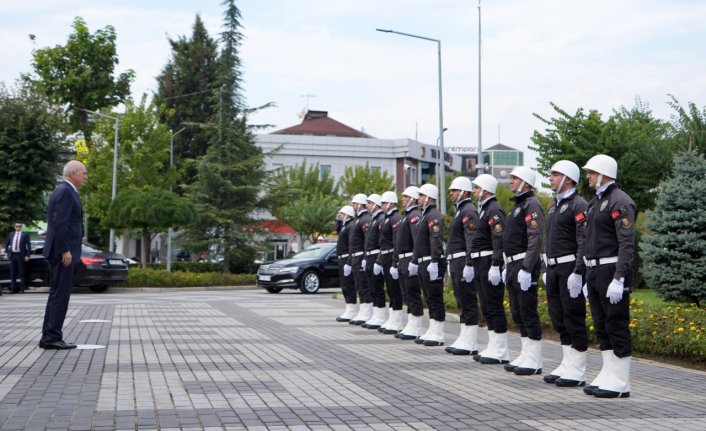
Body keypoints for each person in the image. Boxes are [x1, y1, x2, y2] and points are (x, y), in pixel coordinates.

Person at [581, 154, 635, 398]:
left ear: (604, 173)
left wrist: (619, 277)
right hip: (594, 270)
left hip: (611, 270)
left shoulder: (619, 201)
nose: (588, 176)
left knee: (616, 323)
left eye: (592, 172)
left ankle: (621, 381)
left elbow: (626, 244)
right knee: (602, 325)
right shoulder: (595, 203)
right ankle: (609, 372)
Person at [543, 161, 590, 387]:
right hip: (553, 268)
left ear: (568, 178)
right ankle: (567, 362)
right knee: (558, 317)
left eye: (555, 175)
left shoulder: (578, 205)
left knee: (573, 317)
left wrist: (579, 272)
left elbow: (583, 241)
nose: (550, 178)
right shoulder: (554, 206)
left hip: (570, 266)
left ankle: (578, 369)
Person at [40, 160, 87, 350]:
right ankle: (52, 337)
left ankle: (49, 336)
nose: (85, 177)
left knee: (56, 294)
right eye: (83, 173)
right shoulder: (66, 192)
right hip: (62, 254)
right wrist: (65, 249)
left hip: (61, 251)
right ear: (73, 174)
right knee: (60, 295)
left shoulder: (64, 191)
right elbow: (60, 223)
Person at [502, 166, 545, 376]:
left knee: (528, 311)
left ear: (525, 183)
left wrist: (527, 268)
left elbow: (535, 238)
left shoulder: (532, 204)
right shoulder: (518, 205)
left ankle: (535, 359)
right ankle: (526, 353)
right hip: (512, 264)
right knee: (518, 312)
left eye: (514, 178)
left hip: (523, 264)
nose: (510, 181)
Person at [470, 174, 510, 365]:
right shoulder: (484, 210)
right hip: (480, 261)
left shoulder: (494, 209)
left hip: (488, 261)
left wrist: (495, 264)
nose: (474, 191)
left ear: (485, 189)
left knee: (493, 305)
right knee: (486, 306)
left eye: (476, 188)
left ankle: (501, 350)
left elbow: (498, 239)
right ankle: (493, 345)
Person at [444, 177, 480, 355]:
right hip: (456, 260)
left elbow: (471, 240)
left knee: (468, 300)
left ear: (463, 192)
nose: (450, 193)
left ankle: (471, 341)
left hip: (462, 260)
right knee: (461, 300)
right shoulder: (460, 210)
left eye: (454, 190)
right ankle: (464, 337)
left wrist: (469, 263)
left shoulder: (469, 210)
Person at [411, 183, 446, 346]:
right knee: (429, 297)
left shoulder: (434, 215)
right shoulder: (426, 215)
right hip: (424, 261)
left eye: (422, 196)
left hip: (432, 261)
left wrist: (434, 261)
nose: (419, 199)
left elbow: (436, 239)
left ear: (430, 198)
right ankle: (432, 328)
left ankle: (438, 333)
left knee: (435, 297)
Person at [394, 186, 424, 340]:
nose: (403, 199)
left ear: (413, 199)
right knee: (407, 294)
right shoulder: (406, 215)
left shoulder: (414, 215)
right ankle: (411, 323)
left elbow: (416, 240)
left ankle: (417, 326)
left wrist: (414, 260)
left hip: (410, 258)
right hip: (403, 259)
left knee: (413, 293)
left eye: (406, 197)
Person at [376, 191, 405, 334]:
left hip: (392, 256)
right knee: (390, 290)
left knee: (395, 290)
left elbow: (396, 242)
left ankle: (398, 321)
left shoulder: (395, 218)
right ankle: (393, 318)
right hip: (386, 257)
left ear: (391, 203)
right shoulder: (387, 218)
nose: (381, 205)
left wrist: (395, 262)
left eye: (383, 202)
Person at [362, 194, 387, 329]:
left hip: (377, 256)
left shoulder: (381, 219)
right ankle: (376, 314)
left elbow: (381, 242)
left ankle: (380, 316)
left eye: (370, 203)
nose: (368, 206)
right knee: (372, 287)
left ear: (377, 204)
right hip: (370, 256)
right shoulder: (373, 219)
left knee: (378, 288)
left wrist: (379, 260)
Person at [347, 193, 373, 325]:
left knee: (364, 285)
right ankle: (363, 310)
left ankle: (367, 311)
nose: (352, 206)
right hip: (356, 257)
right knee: (359, 285)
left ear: (360, 204)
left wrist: (365, 256)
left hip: (361, 256)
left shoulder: (365, 219)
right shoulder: (358, 219)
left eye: (354, 203)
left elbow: (368, 240)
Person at [335, 205, 358, 322]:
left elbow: (351, 245)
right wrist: (338, 222)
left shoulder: (350, 226)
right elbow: (337, 230)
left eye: (342, 214)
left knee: (349, 285)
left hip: (346, 258)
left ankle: (352, 309)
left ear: (348, 215)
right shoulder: (344, 226)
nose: (340, 216)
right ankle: (349, 307)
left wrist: (349, 262)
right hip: (341, 258)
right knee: (344, 285)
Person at [5, 221, 31, 293]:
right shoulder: (11, 234)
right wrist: (7, 252)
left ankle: (22, 289)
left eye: (20, 226)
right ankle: (13, 289)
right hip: (13, 255)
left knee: (22, 272)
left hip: (21, 255)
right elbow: (7, 245)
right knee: (12, 273)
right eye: (17, 226)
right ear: (14, 227)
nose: (18, 227)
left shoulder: (25, 235)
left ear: (22, 227)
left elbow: (29, 246)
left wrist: (27, 255)